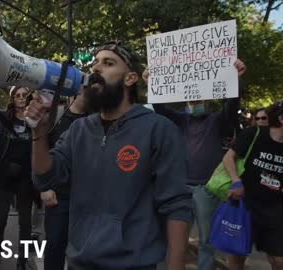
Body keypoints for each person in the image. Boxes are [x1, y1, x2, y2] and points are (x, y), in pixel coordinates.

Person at [25, 41, 192, 270]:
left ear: (130, 78)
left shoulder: (159, 129)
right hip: (79, 263)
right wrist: (39, 132)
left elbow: (177, 206)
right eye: (95, 63)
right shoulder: (78, 130)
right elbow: (45, 178)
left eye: (108, 63)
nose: (96, 69)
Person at [145, 59, 246, 270]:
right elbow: (160, 107)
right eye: (191, 100)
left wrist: (235, 80)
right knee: (172, 237)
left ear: (208, 100)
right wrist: (151, 82)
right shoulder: (180, 120)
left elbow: (231, 105)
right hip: (179, 188)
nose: (195, 103)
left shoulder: (217, 120)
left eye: (199, 99)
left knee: (206, 239)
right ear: (185, 103)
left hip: (204, 188)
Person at [223, 99, 283, 270]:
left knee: (279, 261)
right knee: (238, 256)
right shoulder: (254, 134)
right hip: (246, 206)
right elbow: (228, 158)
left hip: (273, 210)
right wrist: (236, 181)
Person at [0, 86, 37, 270]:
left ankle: (22, 262)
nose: (22, 98)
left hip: (26, 179)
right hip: (4, 177)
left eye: (25, 95)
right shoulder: (5, 118)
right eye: (18, 95)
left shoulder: (36, 118)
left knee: (25, 223)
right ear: (13, 99)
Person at [40, 94, 88, 270]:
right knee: (54, 246)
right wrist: (44, 187)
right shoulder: (55, 118)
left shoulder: (98, 119)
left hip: (88, 197)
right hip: (58, 196)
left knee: (84, 249)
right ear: (72, 94)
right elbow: (40, 151)